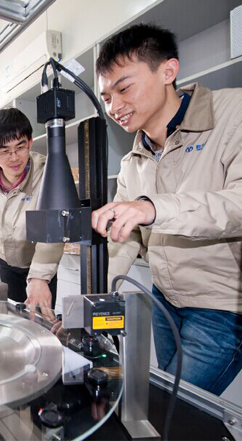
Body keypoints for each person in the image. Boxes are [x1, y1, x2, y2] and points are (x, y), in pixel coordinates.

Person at [92, 23, 242, 395]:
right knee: (169, 407)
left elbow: (237, 204)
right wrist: (93, 299)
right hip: (164, 301)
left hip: (221, 307)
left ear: (168, 71)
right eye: (106, 97)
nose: (114, 108)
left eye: (124, 89)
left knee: (166, 407)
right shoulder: (132, 161)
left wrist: (152, 207)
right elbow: (126, 238)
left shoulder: (233, 113)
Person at [0, 108, 64, 314]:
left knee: (40, 320)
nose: (14, 158)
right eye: (5, 151)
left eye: (20, 147)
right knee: (13, 318)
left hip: (39, 261)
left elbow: (54, 228)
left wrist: (39, 277)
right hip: (5, 261)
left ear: (30, 143)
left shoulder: (48, 172)